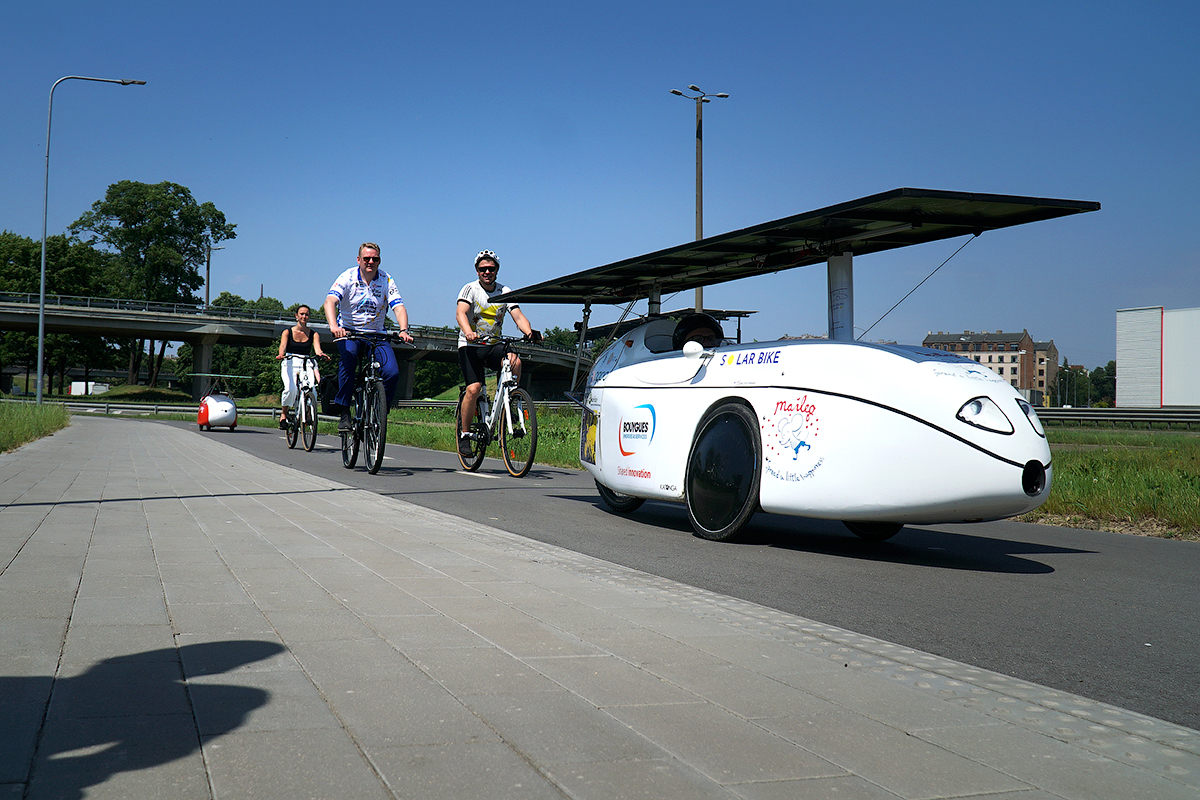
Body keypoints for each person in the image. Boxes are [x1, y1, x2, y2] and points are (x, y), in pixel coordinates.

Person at [324, 242, 414, 432]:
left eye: (375, 259)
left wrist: (403, 329)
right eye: (366, 258)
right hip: (349, 332)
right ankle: (344, 411)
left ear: (379, 260)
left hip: (376, 334)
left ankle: (380, 410)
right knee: (348, 359)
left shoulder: (386, 279)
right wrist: (334, 327)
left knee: (391, 372)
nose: (371, 262)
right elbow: (330, 301)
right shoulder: (348, 277)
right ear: (359, 260)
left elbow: (398, 306)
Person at [456, 250, 539, 456]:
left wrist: (529, 332)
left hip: (494, 345)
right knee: (474, 389)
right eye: (483, 269)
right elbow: (461, 313)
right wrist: (468, 332)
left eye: (491, 269)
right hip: (471, 345)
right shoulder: (470, 289)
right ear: (477, 271)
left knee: (515, 362)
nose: (487, 272)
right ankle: (464, 434)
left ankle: (510, 404)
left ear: (497, 270)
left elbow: (518, 316)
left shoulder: (504, 291)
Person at [275, 304, 328, 428]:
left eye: (307, 314)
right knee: (290, 389)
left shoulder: (313, 334)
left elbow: (317, 349)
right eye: (302, 314)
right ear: (296, 316)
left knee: (311, 389)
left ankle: (308, 414)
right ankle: (284, 414)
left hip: (306, 362)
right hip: (290, 362)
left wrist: (321, 354)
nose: (304, 316)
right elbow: (283, 346)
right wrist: (281, 354)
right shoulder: (287, 332)